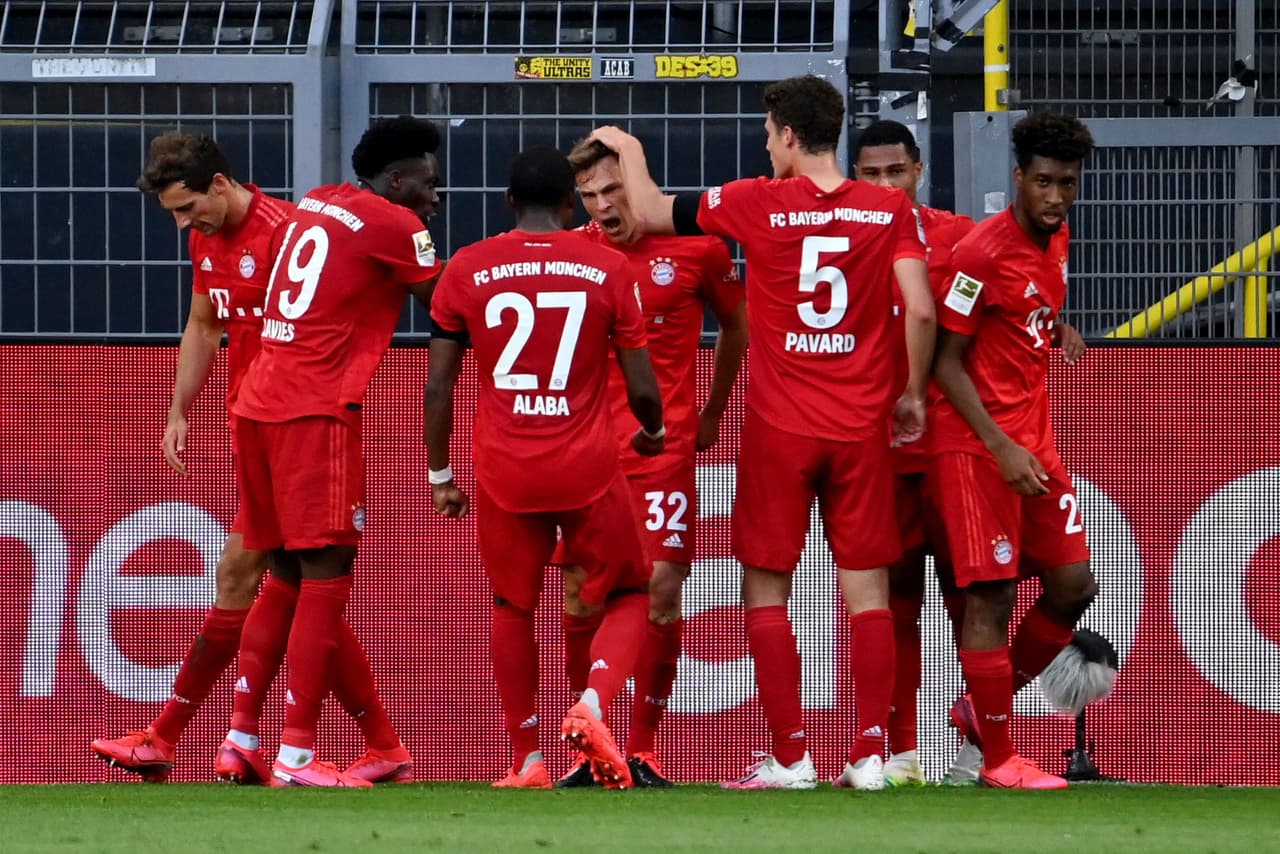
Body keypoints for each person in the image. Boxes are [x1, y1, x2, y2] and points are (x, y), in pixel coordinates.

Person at [589, 74, 937, 791]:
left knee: (766, 592)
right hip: (859, 427)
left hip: (781, 428)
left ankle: (791, 757)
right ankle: (871, 753)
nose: (765, 145)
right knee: (869, 594)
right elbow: (923, 311)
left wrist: (626, 147)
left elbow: (651, 208)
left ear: (784, 134)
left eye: (767, 134)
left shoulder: (754, 202)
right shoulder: (889, 208)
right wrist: (909, 394)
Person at [91, 134, 411, 787]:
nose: (185, 224)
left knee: (249, 576)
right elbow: (205, 323)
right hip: (254, 429)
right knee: (295, 586)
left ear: (219, 182)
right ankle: (378, 744)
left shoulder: (286, 233)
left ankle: (175, 735)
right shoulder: (205, 239)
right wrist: (180, 409)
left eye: (188, 208)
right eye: (173, 214)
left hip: (298, 426)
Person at [424, 146, 665, 790]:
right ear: (570, 203)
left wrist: (441, 475)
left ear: (508, 202)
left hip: (504, 468)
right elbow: (642, 387)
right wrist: (653, 430)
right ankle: (592, 701)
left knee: (511, 605)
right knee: (630, 592)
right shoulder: (608, 268)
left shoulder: (467, 268)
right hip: (584, 467)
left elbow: (438, 389)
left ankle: (527, 759)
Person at [229, 116, 443, 787]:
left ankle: (244, 737)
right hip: (313, 410)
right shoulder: (397, 225)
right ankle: (296, 751)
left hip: (257, 401)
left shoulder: (316, 198)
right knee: (325, 574)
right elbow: (446, 305)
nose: (436, 197)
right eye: (430, 184)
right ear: (399, 178)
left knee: (290, 578)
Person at [552, 138, 748, 789]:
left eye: (613, 190)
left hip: (661, 451)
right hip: (587, 457)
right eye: (590, 196)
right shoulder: (576, 252)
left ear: (638, 182)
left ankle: (641, 746)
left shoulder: (699, 246)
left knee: (661, 593)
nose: (605, 207)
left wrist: (715, 410)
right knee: (584, 598)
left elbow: (737, 325)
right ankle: (589, 752)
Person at [930, 111, 1098, 790]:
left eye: (1068, 183)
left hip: (1036, 444)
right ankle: (999, 760)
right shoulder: (978, 255)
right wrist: (999, 446)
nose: (1056, 197)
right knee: (991, 599)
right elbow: (946, 363)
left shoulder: (1057, 242)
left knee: (1074, 586)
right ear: (1019, 177)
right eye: (1045, 183)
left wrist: (1057, 327)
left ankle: (979, 712)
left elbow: (1028, 304)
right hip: (977, 448)